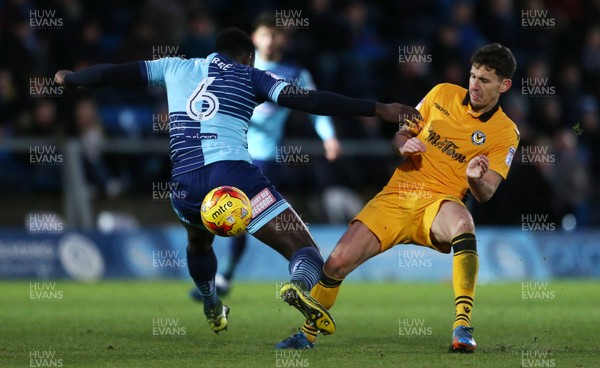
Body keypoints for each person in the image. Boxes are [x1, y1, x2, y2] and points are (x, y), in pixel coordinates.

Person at [54, 28, 420, 335]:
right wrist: (378, 108)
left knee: (199, 245)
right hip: (235, 176)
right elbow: (310, 100)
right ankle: (297, 286)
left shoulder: (172, 67)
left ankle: (213, 307)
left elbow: (112, 73)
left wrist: (71, 79)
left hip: (184, 183)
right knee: (305, 250)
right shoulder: (252, 76)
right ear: (249, 57)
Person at [275, 43, 519, 352]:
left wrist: (474, 178)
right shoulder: (441, 93)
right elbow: (402, 133)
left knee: (463, 223)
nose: (475, 85)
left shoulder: (505, 132)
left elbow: (488, 191)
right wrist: (402, 144)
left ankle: (462, 326)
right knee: (336, 264)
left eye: (485, 80)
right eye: (472, 76)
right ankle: (306, 336)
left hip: (439, 203)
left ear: (504, 85)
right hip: (397, 195)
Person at [190, 13, 341, 299]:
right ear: (254, 38)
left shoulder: (293, 72)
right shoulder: (233, 68)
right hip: (223, 153)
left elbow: (314, 104)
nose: (271, 40)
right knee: (223, 214)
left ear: (283, 39)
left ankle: (226, 277)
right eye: (265, 34)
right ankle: (221, 275)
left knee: (238, 216)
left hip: (264, 158)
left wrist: (329, 136)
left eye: (276, 35)